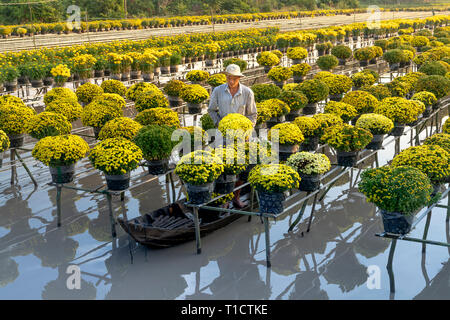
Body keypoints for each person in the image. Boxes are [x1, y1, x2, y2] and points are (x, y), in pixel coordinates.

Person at [208, 64, 257, 208]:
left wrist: (247, 130)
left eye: (234, 78)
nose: (231, 80)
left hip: (242, 137)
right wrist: (220, 124)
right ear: (226, 77)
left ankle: (236, 196)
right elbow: (211, 110)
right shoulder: (217, 91)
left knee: (241, 168)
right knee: (224, 168)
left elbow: (252, 115)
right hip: (223, 136)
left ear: (239, 78)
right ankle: (224, 199)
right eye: (229, 77)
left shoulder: (247, 92)